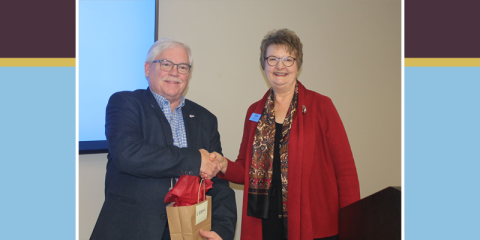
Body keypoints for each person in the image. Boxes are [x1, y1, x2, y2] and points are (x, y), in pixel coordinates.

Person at [212, 29, 360, 240]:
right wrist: (223, 165)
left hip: (315, 225)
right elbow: (245, 168)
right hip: (265, 222)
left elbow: (346, 172)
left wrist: (352, 224)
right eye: (272, 59)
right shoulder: (254, 112)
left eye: (287, 59)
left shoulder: (321, 106)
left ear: (298, 65)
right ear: (263, 65)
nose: (279, 66)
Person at [90, 37, 236, 240]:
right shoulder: (125, 103)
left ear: (189, 74)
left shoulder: (206, 119)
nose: (175, 72)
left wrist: (222, 230)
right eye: (166, 64)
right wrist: (195, 160)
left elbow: (218, 182)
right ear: (147, 68)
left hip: (189, 232)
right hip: (131, 230)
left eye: (183, 67)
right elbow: (128, 155)